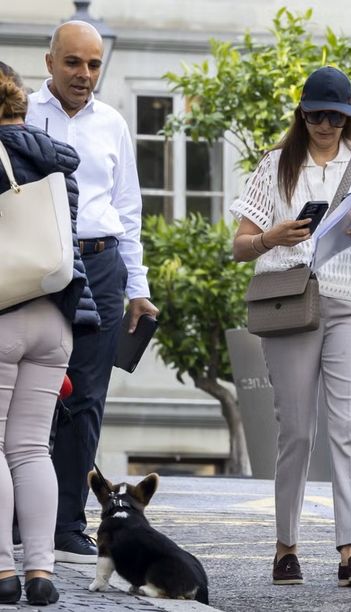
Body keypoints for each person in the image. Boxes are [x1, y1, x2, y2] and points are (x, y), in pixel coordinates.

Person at [230, 66, 351, 587]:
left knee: (349, 428)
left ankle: (350, 551)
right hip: (292, 303)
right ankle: (286, 547)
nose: (326, 125)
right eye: (316, 116)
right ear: (301, 114)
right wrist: (273, 238)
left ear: (349, 117)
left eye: (336, 116)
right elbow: (240, 246)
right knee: (296, 430)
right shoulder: (276, 165)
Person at [25, 20, 159, 563]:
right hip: (38, 262)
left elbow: (128, 210)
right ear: (50, 62)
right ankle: (22, 516)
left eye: (94, 64)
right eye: (73, 62)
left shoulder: (113, 124)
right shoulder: (22, 114)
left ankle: (66, 523)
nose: (84, 74)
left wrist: (137, 288)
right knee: (28, 391)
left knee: (85, 399)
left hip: (102, 266)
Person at [0, 61, 99, 606]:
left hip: (3, 311)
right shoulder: (56, 158)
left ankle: (2, 570)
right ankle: (40, 571)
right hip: (57, 315)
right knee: (32, 447)